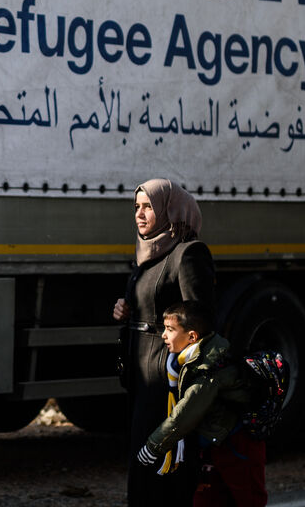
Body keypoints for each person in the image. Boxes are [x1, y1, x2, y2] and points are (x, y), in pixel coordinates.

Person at [113, 179, 216, 506]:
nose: (140, 215)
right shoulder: (147, 252)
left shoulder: (188, 254)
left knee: (163, 468)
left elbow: (202, 318)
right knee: (143, 464)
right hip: (142, 374)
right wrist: (124, 309)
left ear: (170, 210)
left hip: (167, 381)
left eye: (147, 207)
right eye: (136, 207)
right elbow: (149, 302)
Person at [137, 301, 267, 507]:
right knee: (206, 501)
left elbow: (186, 413)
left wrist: (154, 446)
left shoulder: (208, 369)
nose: (163, 335)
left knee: (248, 500)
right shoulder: (194, 357)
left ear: (192, 337)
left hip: (238, 446)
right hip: (215, 445)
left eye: (170, 330)